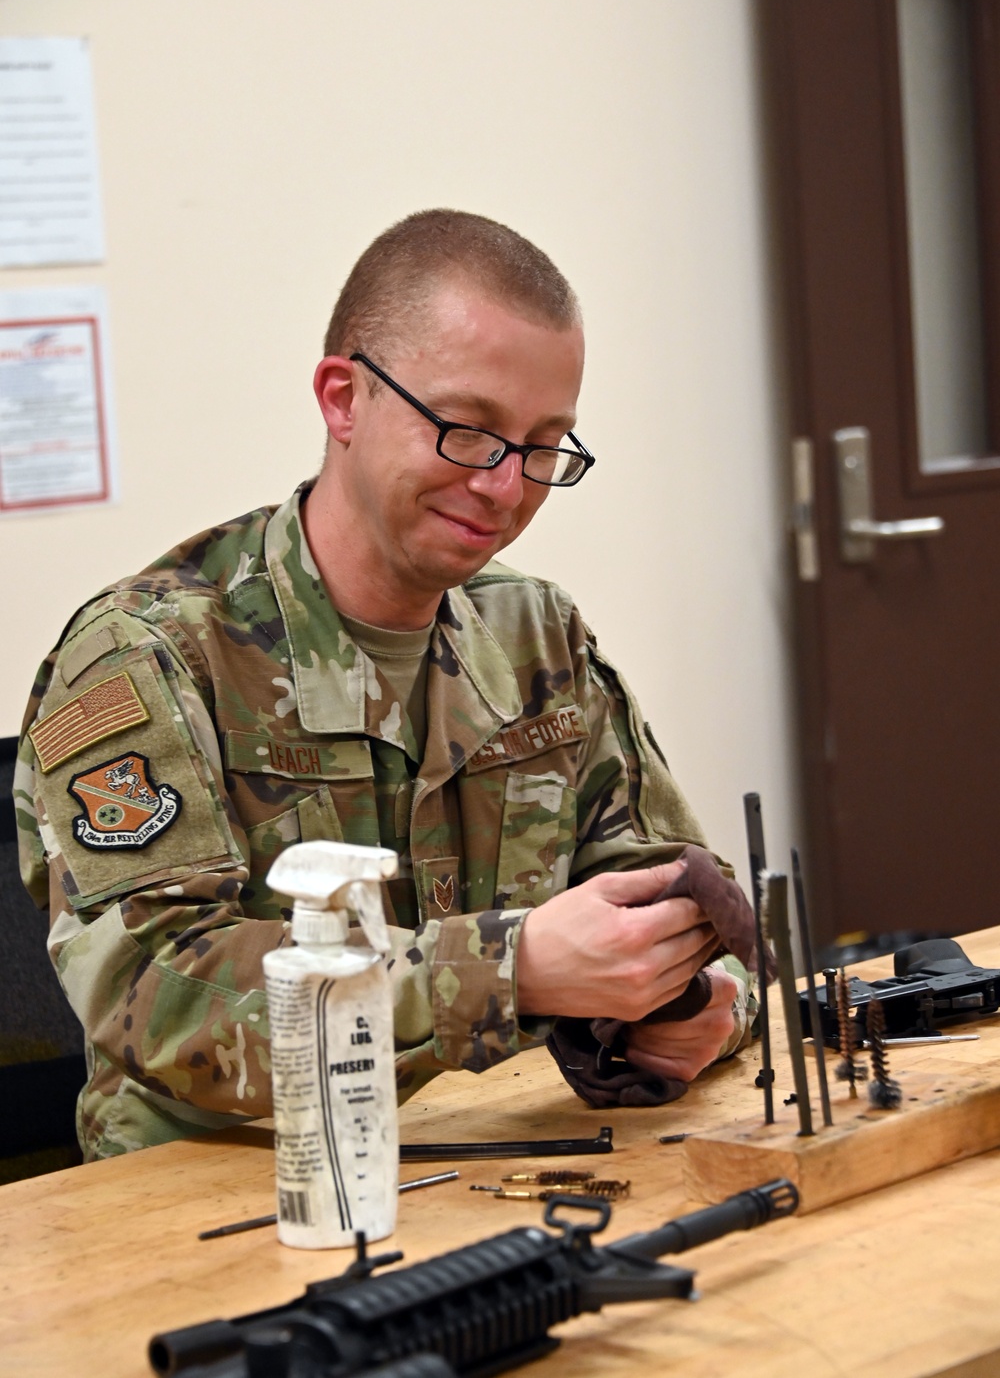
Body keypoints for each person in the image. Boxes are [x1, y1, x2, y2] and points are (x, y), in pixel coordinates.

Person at [15, 209, 752, 1158]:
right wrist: (509, 970)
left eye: (543, 446)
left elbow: (685, 900)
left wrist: (700, 1009)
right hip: (228, 1200)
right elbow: (158, 994)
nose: (504, 485)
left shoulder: (537, 633)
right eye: (467, 430)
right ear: (343, 399)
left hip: (519, 1171)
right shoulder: (148, 655)